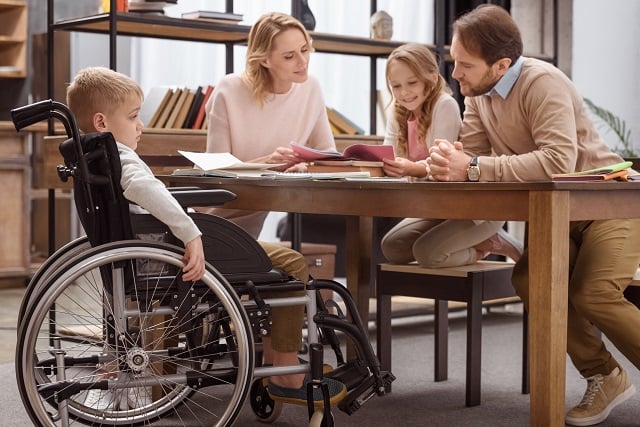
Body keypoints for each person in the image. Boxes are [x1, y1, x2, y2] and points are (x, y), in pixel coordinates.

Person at [66, 66, 346, 408]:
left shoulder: (94, 155)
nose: (140, 125)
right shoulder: (124, 160)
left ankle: (273, 361)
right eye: (134, 116)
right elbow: (151, 192)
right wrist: (192, 233)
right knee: (291, 262)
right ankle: (285, 373)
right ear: (102, 123)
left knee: (269, 259)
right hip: (170, 252)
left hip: (144, 253)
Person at [427, 5, 640, 425]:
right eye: (454, 62)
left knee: (591, 292)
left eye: (465, 65)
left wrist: (470, 167)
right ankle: (604, 375)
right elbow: (473, 157)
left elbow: (558, 161)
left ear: (501, 64)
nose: (455, 74)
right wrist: (446, 160)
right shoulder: (479, 95)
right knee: (531, 279)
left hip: (611, 205)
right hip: (559, 212)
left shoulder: (543, 84)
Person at [380, 43, 522, 268]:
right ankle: (479, 239)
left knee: (427, 253)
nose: (403, 93)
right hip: (437, 206)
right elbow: (389, 155)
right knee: (392, 248)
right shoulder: (398, 111)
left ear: (433, 78)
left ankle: (487, 245)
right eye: (395, 86)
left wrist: (409, 168)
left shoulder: (444, 105)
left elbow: (443, 166)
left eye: (412, 83)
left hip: (471, 206)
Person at [203, 11, 336, 239]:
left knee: (295, 265)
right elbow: (215, 171)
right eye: (289, 56)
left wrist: (306, 167)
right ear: (265, 59)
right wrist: (267, 162)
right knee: (294, 265)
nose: (303, 61)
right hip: (210, 222)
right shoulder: (230, 90)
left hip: (249, 230)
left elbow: (329, 155)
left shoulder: (311, 88)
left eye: (305, 50)